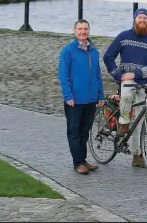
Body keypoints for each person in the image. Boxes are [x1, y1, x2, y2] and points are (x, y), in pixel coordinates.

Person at [103, 8, 147, 168]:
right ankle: (123, 123)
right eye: (139, 18)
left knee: (141, 120)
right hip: (126, 81)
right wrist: (117, 74)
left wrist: (134, 74)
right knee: (126, 96)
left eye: (145, 18)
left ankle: (136, 154)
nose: (142, 21)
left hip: (145, 82)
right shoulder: (123, 36)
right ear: (134, 20)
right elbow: (108, 56)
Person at [58, 19, 105, 175]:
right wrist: (68, 96)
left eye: (85, 29)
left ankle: (83, 160)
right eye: (80, 29)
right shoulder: (68, 50)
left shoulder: (94, 50)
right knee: (74, 132)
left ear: (89, 31)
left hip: (90, 99)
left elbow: (97, 74)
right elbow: (63, 76)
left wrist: (100, 94)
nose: (83, 32)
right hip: (74, 100)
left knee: (85, 131)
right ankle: (78, 163)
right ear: (74, 30)